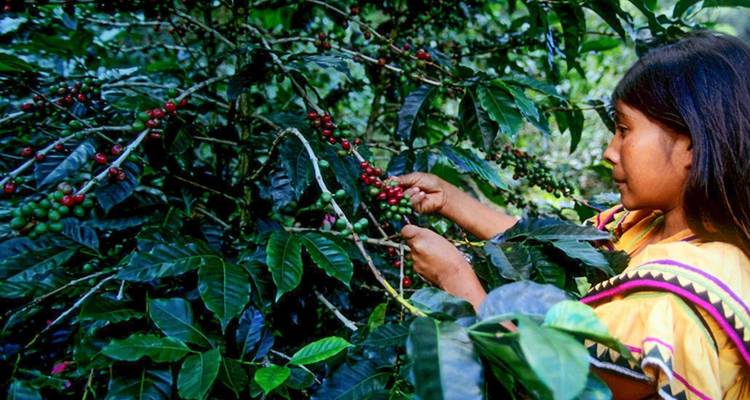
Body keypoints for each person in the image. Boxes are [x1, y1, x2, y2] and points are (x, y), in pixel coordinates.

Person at [393, 31, 750, 399]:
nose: (611, 151)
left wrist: (455, 279)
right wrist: (451, 200)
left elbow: (560, 381)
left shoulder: (688, 293)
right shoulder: (650, 225)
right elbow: (558, 247)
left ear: (690, 145)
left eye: (625, 130)